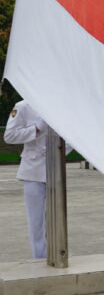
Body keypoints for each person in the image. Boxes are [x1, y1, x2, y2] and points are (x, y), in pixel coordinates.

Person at [3, 101, 70, 259]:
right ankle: (39, 257)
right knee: (36, 222)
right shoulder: (23, 106)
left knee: (59, 217)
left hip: (55, 168)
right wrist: (36, 129)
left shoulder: (61, 104)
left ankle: (59, 254)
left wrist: (61, 150)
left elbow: (73, 135)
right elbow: (9, 136)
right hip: (32, 171)